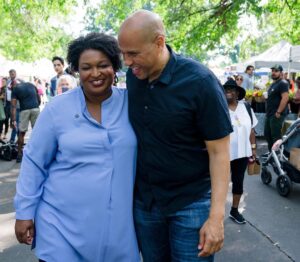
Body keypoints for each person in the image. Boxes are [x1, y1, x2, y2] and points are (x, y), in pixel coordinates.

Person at [14, 32, 140, 262]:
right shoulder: (57, 109)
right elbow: (34, 162)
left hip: (118, 232)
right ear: (76, 71)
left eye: (103, 65)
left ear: (115, 67)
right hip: (60, 228)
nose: (95, 73)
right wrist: (24, 213)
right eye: (86, 67)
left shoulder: (133, 104)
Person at [118, 10, 232, 261]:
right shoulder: (134, 76)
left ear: (159, 42)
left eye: (133, 53)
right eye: (123, 53)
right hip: (146, 205)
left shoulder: (200, 82)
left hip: (190, 204)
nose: (127, 61)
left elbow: (220, 153)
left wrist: (216, 218)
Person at [223, 79, 257, 224]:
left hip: (242, 153)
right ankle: (215, 214)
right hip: (223, 155)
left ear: (237, 93)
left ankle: (234, 210)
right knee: (220, 184)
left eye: (232, 89)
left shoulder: (246, 108)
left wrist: (253, 149)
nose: (229, 92)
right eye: (226, 90)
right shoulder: (220, 108)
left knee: (238, 183)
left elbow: (251, 130)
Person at [11, 82, 41, 162]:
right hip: (35, 108)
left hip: (24, 110)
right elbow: (39, 98)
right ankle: (39, 153)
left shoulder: (15, 89)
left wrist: (13, 119)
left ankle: (19, 154)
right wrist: (36, 106)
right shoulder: (31, 85)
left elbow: (13, 106)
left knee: (21, 133)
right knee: (37, 132)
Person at [264, 64, 289, 151]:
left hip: (276, 114)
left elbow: (285, 98)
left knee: (276, 137)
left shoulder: (283, 83)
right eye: (273, 71)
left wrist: (278, 112)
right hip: (270, 114)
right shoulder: (273, 84)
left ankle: (277, 158)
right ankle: (271, 155)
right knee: (267, 134)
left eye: (276, 71)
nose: (273, 73)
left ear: (281, 73)